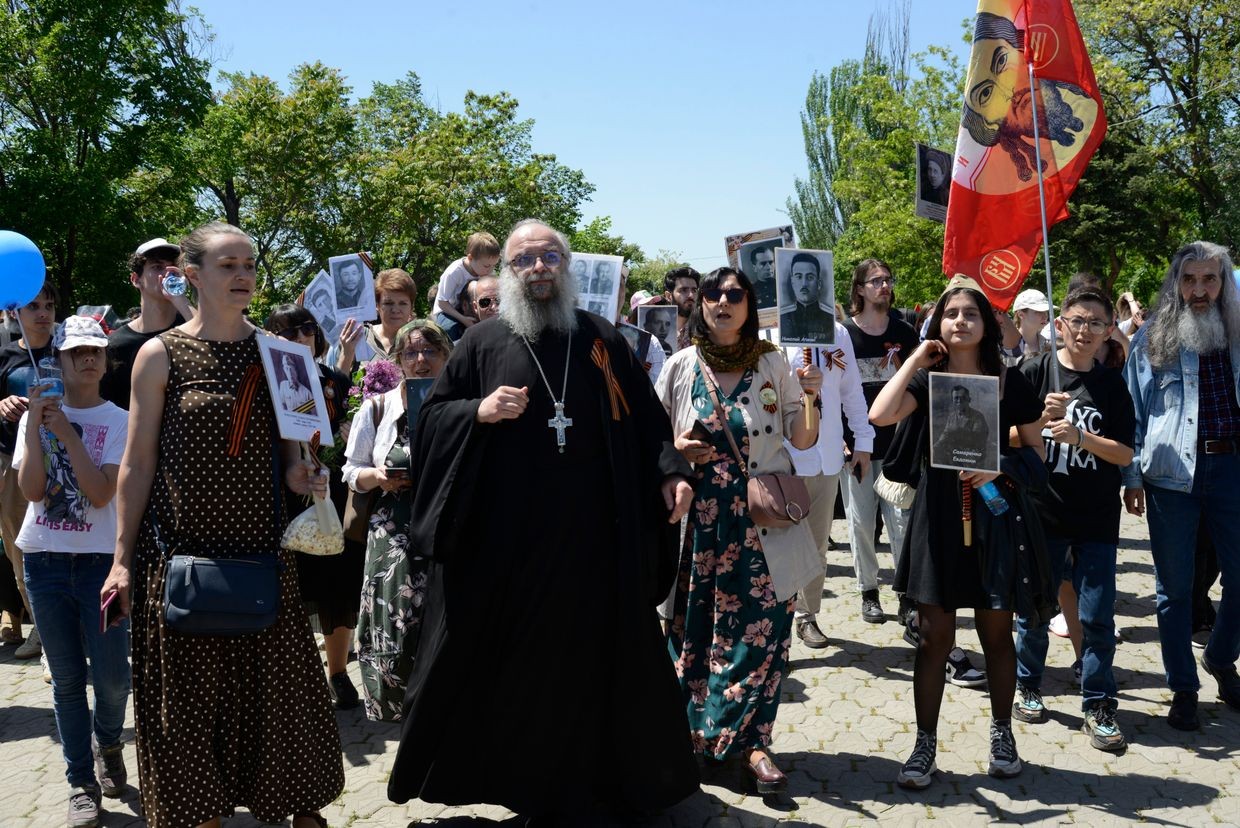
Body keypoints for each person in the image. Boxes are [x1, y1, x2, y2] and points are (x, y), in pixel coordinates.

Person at [386, 219, 699, 821]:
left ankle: (610, 784)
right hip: (509, 547)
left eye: (549, 256)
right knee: (521, 673)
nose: (539, 268)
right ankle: (529, 790)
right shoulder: (480, 344)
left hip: (595, 542)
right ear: (505, 272)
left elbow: (646, 423)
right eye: (525, 260)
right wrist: (477, 410)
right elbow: (430, 422)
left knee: (598, 664)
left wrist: (668, 472)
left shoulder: (601, 337)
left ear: (566, 265)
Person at [100, 222, 344, 828]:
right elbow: (136, 463)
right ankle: (199, 815)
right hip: (182, 563)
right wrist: (122, 558)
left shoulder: (283, 356)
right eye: (228, 265)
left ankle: (294, 810)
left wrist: (305, 478)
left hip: (263, 558)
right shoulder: (159, 354)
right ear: (192, 274)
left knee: (279, 701)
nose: (243, 276)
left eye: (250, 265)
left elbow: (298, 460)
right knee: (184, 711)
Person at [870, 275, 1047, 790]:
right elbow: (881, 415)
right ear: (938, 323)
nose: (960, 321)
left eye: (971, 313)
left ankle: (1002, 732)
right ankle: (925, 744)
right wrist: (914, 361)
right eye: (951, 314)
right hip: (938, 520)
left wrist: (1001, 468)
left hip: (995, 520)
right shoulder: (929, 382)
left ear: (986, 323)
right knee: (933, 640)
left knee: (996, 635)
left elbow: (1039, 456)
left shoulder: (1011, 382)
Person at [657, 266, 821, 792]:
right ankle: (688, 738)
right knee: (693, 632)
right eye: (713, 293)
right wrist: (677, 450)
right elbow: (655, 442)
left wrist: (813, 394)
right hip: (700, 530)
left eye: (734, 294)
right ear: (699, 305)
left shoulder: (772, 363)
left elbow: (800, 437)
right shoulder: (681, 366)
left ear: (750, 306)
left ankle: (751, 744)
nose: (722, 302)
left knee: (763, 635)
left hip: (762, 525)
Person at [14, 316, 130, 826]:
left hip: (101, 565)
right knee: (65, 681)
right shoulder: (32, 417)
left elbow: (102, 493)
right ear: (58, 360)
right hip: (44, 560)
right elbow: (33, 492)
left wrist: (66, 432)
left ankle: (108, 743)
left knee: (111, 679)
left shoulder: (121, 419)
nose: (88, 359)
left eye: (96, 352)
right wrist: (40, 430)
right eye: (77, 352)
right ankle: (80, 782)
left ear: (105, 361)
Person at [1122, 240, 1240, 730]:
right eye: (1189, 280)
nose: (1199, 290)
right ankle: (1183, 687)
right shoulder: (1151, 339)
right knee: (1173, 589)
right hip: (1171, 476)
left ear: (1223, 283)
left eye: (1209, 279)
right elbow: (1132, 411)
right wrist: (1131, 477)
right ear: (1176, 283)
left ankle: (1218, 654)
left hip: (1232, 471)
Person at [1012, 287, 1135, 750]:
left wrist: (1080, 437)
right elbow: (1002, 434)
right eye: (1077, 321)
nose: (1084, 331)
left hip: (1097, 519)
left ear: (1108, 332)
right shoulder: (1032, 372)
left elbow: (1124, 452)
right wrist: (1037, 428)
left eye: (1095, 324)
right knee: (1034, 610)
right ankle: (1028, 685)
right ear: (1059, 324)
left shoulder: (1112, 384)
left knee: (1098, 616)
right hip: (1042, 512)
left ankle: (1099, 703)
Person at [345, 319, 451, 722]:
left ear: (446, 356)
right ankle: (398, 711)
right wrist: (380, 478)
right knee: (397, 624)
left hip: (447, 529)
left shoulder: (463, 403)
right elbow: (352, 469)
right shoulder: (378, 407)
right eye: (411, 352)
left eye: (430, 351)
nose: (421, 360)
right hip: (395, 532)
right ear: (399, 359)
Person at [264, 304, 361, 709]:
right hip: (284, 497)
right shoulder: (264, 382)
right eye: (286, 331)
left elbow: (357, 440)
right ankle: (294, 680)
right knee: (292, 590)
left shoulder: (336, 380)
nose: (298, 337)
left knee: (336, 587)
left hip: (332, 493)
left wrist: (347, 432)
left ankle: (337, 673)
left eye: (305, 328)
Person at [840, 259, 918, 626]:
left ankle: (908, 596)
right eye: (875, 281)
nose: (884, 286)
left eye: (888, 279)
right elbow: (834, 392)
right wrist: (842, 439)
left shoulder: (905, 332)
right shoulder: (843, 335)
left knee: (902, 523)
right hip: (857, 450)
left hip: (899, 447)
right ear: (859, 289)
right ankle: (868, 592)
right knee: (861, 522)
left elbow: (918, 384)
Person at [787, 321, 873, 649]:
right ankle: (773, 624)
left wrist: (863, 439)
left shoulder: (836, 332)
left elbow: (851, 389)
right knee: (776, 547)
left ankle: (806, 616)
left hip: (827, 456)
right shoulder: (768, 329)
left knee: (816, 545)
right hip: (783, 458)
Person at [0, 280, 58, 660]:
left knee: (63, 546)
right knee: (21, 548)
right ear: (15, 313)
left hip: (65, 462)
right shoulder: (3, 354)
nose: (42, 314)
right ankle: (44, 632)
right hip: (13, 463)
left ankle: (64, 630)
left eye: (49, 306)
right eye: (34, 306)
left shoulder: (69, 351)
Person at [103, 238, 197, 410]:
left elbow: (214, 341)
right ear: (135, 280)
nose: (167, 275)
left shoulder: (192, 328)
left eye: (173, 268)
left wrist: (181, 300)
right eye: (157, 267)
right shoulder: (115, 345)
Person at [331, 268, 417, 374]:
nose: (395, 310)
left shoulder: (420, 341)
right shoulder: (359, 337)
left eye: (403, 303)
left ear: (411, 307)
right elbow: (337, 386)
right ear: (377, 305)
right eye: (388, 303)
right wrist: (347, 354)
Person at [433, 231, 501, 340]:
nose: (490, 270)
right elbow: (442, 303)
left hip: (472, 308)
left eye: (494, 266)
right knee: (449, 329)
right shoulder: (454, 272)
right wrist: (463, 319)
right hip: (448, 310)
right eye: (487, 266)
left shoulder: (487, 272)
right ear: (470, 258)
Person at [931, 385, 991, 469]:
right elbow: (945, 434)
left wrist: (956, 436)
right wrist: (935, 446)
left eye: (963, 398)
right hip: (954, 455)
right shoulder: (952, 417)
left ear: (969, 400)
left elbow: (978, 440)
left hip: (971, 457)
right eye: (956, 398)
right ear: (952, 401)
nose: (959, 401)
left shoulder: (978, 416)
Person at [779, 252, 834, 343]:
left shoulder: (830, 320)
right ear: (792, 282)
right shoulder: (782, 320)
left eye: (810, 277)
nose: (804, 284)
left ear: (819, 283)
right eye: (799, 277)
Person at [998, 289, 1051, 367]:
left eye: (1046, 311)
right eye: (1038, 311)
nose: (1045, 316)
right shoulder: (1003, 347)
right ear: (1021, 315)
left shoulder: (1049, 345)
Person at [663, 266, 700, 352]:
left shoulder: (706, 330)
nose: (691, 295)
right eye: (683, 290)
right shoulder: (656, 331)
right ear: (668, 296)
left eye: (694, 290)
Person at [749, 244, 778, 308]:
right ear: (754, 268)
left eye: (771, 262)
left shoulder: (782, 286)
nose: (768, 267)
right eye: (763, 263)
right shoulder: (750, 292)